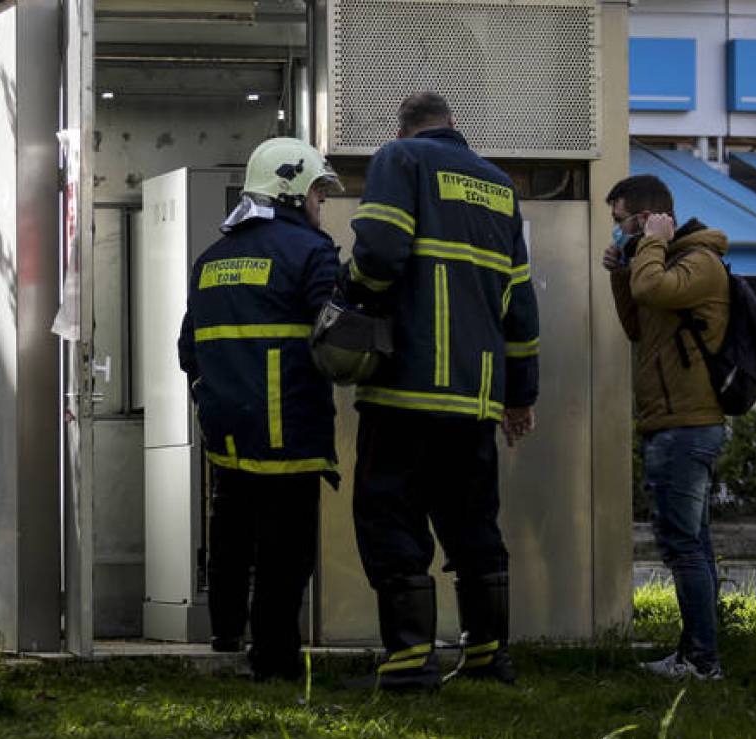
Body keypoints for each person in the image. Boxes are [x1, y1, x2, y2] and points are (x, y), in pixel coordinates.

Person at [338, 92, 539, 691]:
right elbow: (520, 305)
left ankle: (407, 662)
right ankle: (486, 657)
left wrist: (353, 290)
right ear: (455, 124)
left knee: (388, 512)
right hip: (476, 396)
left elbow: (377, 251)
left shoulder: (399, 159)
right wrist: (520, 394)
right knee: (473, 522)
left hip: (406, 387)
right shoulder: (499, 185)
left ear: (403, 126)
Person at [178, 137, 342, 682]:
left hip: (227, 428)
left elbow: (188, 349)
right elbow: (337, 334)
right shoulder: (311, 252)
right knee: (286, 548)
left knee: (230, 527)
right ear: (291, 189)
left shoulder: (212, 259)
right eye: (319, 192)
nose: (322, 205)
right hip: (288, 423)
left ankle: (226, 631)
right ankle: (274, 659)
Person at [602, 174, 731, 681]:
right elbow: (639, 325)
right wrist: (621, 270)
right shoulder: (662, 261)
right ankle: (695, 652)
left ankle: (702, 659)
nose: (615, 232)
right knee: (690, 544)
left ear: (646, 215)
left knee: (684, 547)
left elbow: (653, 287)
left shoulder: (699, 262)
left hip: (688, 424)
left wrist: (650, 244)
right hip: (669, 421)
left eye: (620, 222)